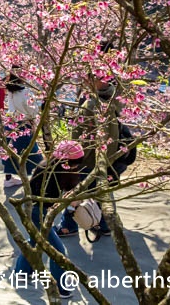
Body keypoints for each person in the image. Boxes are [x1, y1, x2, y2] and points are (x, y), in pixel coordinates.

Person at [13, 141, 85, 300]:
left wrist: (70, 198)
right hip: (35, 211)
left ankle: (21, 272)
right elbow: (42, 198)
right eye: (74, 163)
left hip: (44, 211)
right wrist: (66, 202)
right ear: (64, 161)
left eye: (79, 162)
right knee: (58, 251)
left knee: (34, 240)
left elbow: (68, 190)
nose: (76, 166)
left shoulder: (67, 170)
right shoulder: (46, 170)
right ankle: (60, 287)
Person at [57, 77, 122, 238]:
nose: (85, 81)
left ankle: (68, 225)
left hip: (88, 158)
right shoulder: (113, 99)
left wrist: (75, 157)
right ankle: (104, 224)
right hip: (107, 156)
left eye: (90, 78)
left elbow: (82, 136)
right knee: (98, 190)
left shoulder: (92, 105)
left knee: (76, 192)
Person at [2, 68, 43, 188]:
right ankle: (38, 179)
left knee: (10, 151)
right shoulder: (26, 91)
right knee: (34, 153)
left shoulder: (10, 89)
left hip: (11, 121)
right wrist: (34, 120)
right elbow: (32, 109)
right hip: (24, 123)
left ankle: (8, 178)